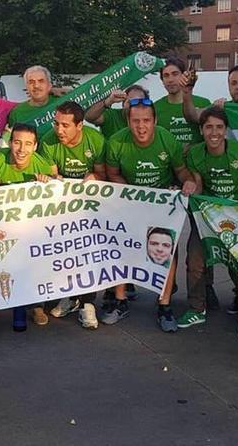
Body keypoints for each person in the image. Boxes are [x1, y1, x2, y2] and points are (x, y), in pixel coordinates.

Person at [104, 98, 198, 332]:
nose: (141, 126)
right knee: (122, 247)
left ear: (155, 120)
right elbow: (112, 174)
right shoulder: (117, 141)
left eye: (146, 120)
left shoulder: (167, 139)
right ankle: (121, 300)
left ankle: (164, 305)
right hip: (129, 202)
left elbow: (181, 171)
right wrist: (132, 192)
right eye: (136, 121)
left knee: (168, 249)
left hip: (160, 205)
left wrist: (187, 182)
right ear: (128, 121)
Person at [179, 107, 238, 338]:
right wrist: (191, 191)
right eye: (208, 127)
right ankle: (197, 309)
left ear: (225, 130)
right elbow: (199, 184)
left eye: (219, 127)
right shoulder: (195, 154)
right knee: (195, 260)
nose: (214, 132)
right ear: (201, 130)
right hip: (209, 216)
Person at [0, 123, 58, 330]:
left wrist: (48, 184)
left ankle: (33, 305)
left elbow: (53, 204)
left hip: (28, 230)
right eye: (17, 142)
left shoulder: (40, 164)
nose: (21, 149)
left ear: (35, 147)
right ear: (10, 143)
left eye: (28, 144)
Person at [38, 101, 106, 329]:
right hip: (61, 205)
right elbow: (53, 175)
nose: (59, 130)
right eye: (56, 123)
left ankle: (88, 303)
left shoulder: (95, 140)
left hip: (90, 205)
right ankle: (69, 296)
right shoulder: (48, 140)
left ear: (80, 125)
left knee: (88, 252)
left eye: (65, 125)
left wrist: (94, 176)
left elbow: (102, 173)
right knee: (65, 251)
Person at [154, 56, 212, 149]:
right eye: (166, 75)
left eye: (175, 74)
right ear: (162, 80)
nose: (170, 80)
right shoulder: (155, 108)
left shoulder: (203, 103)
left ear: (184, 75)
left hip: (197, 161)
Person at [85, 85, 149, 140]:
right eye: (131, 102)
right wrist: (108, 102)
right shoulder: (112, 116)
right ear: (123, 103)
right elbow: (89, 117)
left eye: (139, 102)